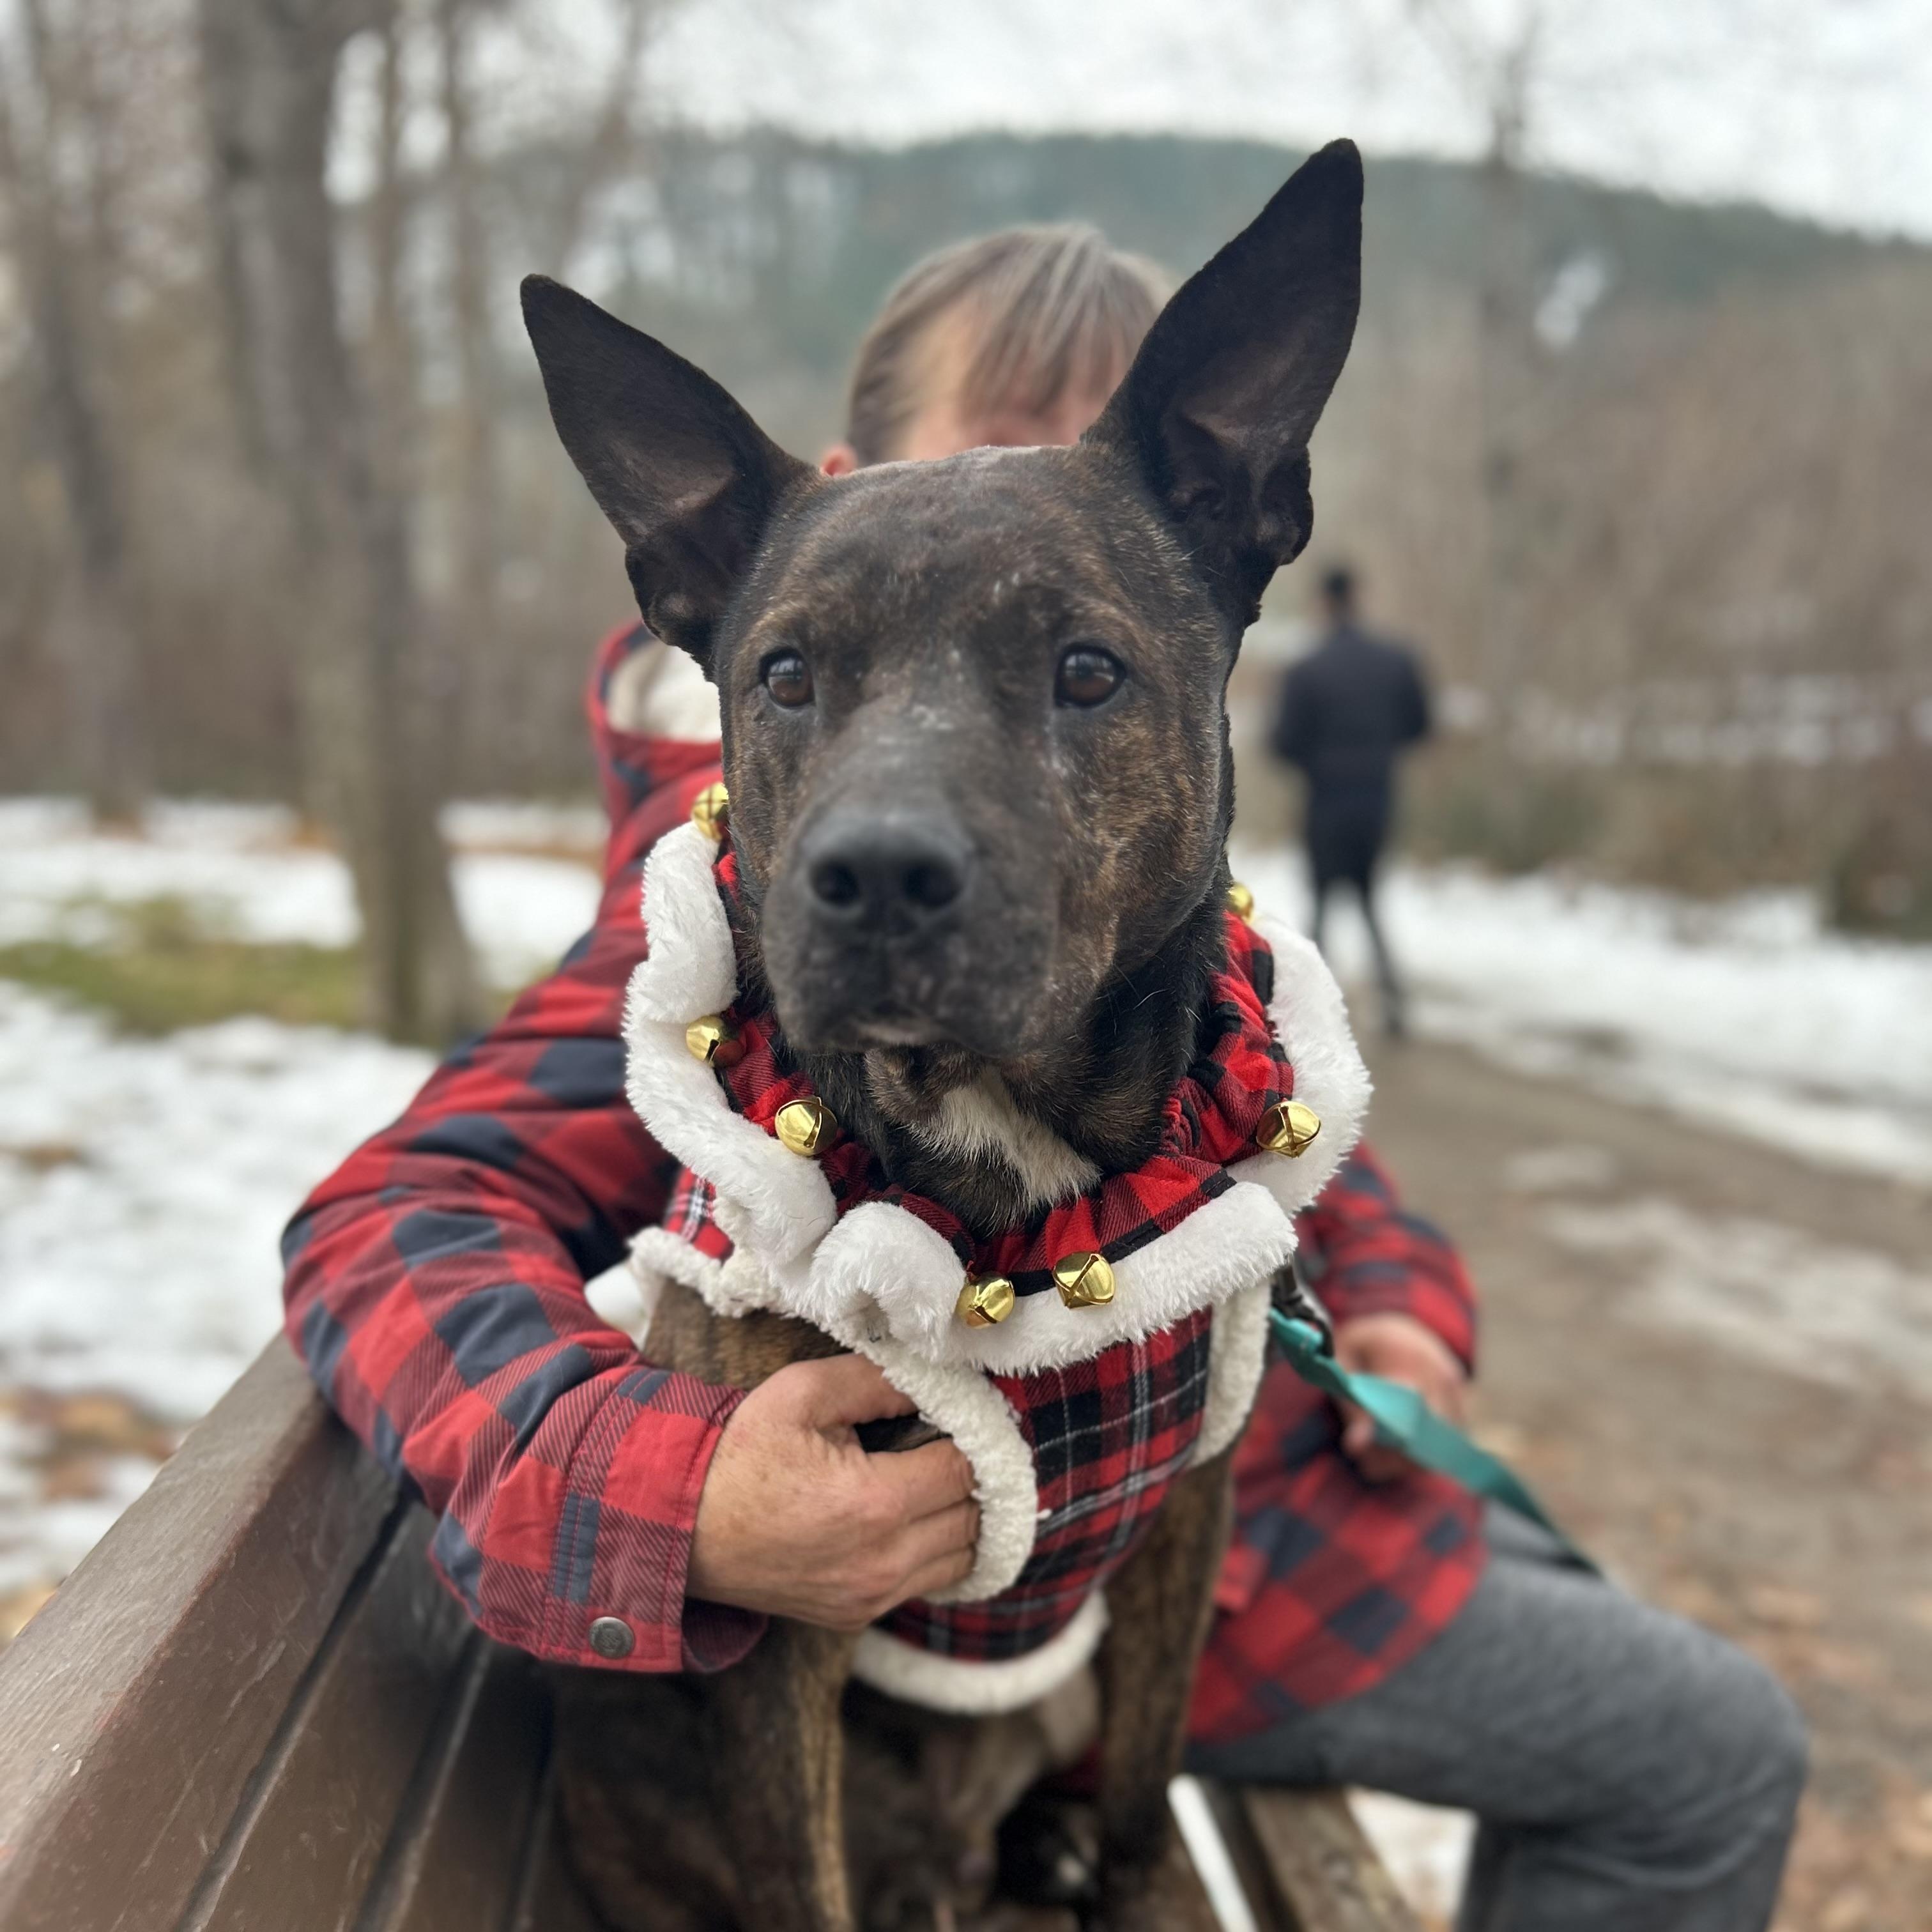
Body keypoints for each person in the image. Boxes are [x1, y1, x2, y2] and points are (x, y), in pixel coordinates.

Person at [283, 224, 1804, 1931]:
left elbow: (1287, 1135)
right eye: (987, 463)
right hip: (1028, 1618)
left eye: (1078, 650)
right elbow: (392, 1212)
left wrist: (1399, 1296)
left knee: (1671, 1699)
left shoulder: (1164, 886)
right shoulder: (709, 935)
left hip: (1229, 1497)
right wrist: (670, 1488)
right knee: (1710, 1742)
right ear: (818, 509)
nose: (1041, 498)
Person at [1271, 565, 1431, 1036]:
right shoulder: (1396, 661)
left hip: (1325, 804)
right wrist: (1377, 752)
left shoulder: (1306, 669)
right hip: (1376, 802)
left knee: (1320, 904)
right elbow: (1421, 725)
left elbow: (1282, 743)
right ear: (1358, 597)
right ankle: (1394, 1006)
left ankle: (1308, 1015)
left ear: (1323, 602)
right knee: (1369, 901)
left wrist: (1319, 762)